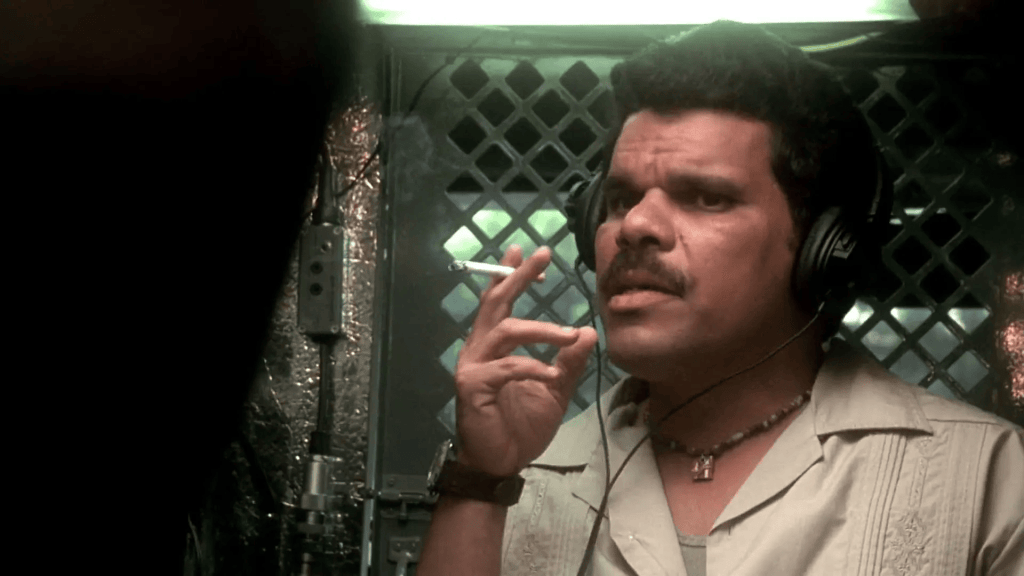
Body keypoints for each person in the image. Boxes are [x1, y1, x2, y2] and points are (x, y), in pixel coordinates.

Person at [417, 20, 1023, 576]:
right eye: (622, 199)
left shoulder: (986, 477)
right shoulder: (518, 473)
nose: (634, 226)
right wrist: (480, 480)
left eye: (707, 198)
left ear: (823, 248)